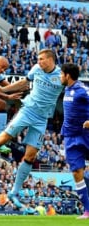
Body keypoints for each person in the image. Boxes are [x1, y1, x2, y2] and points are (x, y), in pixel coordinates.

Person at [0, 49, 64, 209]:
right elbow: (24, 82)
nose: (38, 61)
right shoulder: (36, 69)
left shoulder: (61, 76)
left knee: (30, 156)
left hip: (42, 119)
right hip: (27, 110)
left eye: (41, 59)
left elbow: (72, 90)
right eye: (38, 58)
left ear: (51, 60)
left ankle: (14, 192)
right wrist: (3, 90)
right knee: (2, 139)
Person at [60, 63, 89, 219]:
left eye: (61, 74)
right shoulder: (67, 89)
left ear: (67, 75)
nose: (59, 77)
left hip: (86, 135)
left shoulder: (82, 90)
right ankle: (87, 211)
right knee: (77, 172)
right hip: (70, 137)